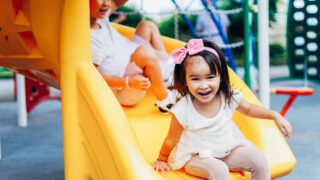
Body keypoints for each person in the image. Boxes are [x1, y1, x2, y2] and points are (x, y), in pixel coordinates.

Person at [152, 39, 292, 180]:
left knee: (259, 160)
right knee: (219, 170)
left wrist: (275, 116)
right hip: (196, 157)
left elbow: (249, 109)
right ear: (185, 81)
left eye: (210, 77)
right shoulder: (183, 109)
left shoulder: (227, 96)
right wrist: (162, 159)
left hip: (227, 150)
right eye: (195, 79)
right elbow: (171, 139)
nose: (204, 85)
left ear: (220, 77)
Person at [89, 0, 175, 111]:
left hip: (133, 58)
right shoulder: (90, 39)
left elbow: (116, 2)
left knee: (147, 26)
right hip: (125, 87)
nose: (107, 3)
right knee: (145, 52)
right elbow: (94, 76)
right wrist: (128, 82)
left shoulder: (100, 18)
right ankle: (165, 100)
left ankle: (166, 73)